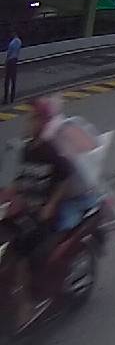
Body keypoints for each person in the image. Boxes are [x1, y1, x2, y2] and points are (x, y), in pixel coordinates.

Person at [6, 96, 74, 325]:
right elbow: (21, 178)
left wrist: (50, 205)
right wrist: (11, 192)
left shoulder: (51, 151)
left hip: (42, 215)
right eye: (28, 118)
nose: (27, 123)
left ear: (43, 122)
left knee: (19, 251)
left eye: (33, 118)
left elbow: (65, 179)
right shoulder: (27, 149)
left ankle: (25, 303)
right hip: (23, 211)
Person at [4, 30, 20, 104]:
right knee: (13, 80)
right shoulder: (19, 41)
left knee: (7, 80)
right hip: (15, 60)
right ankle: (12, 98)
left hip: (10, 61)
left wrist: (6, 63)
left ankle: (6, 98)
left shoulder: (12, 43)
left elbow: (9, 53)